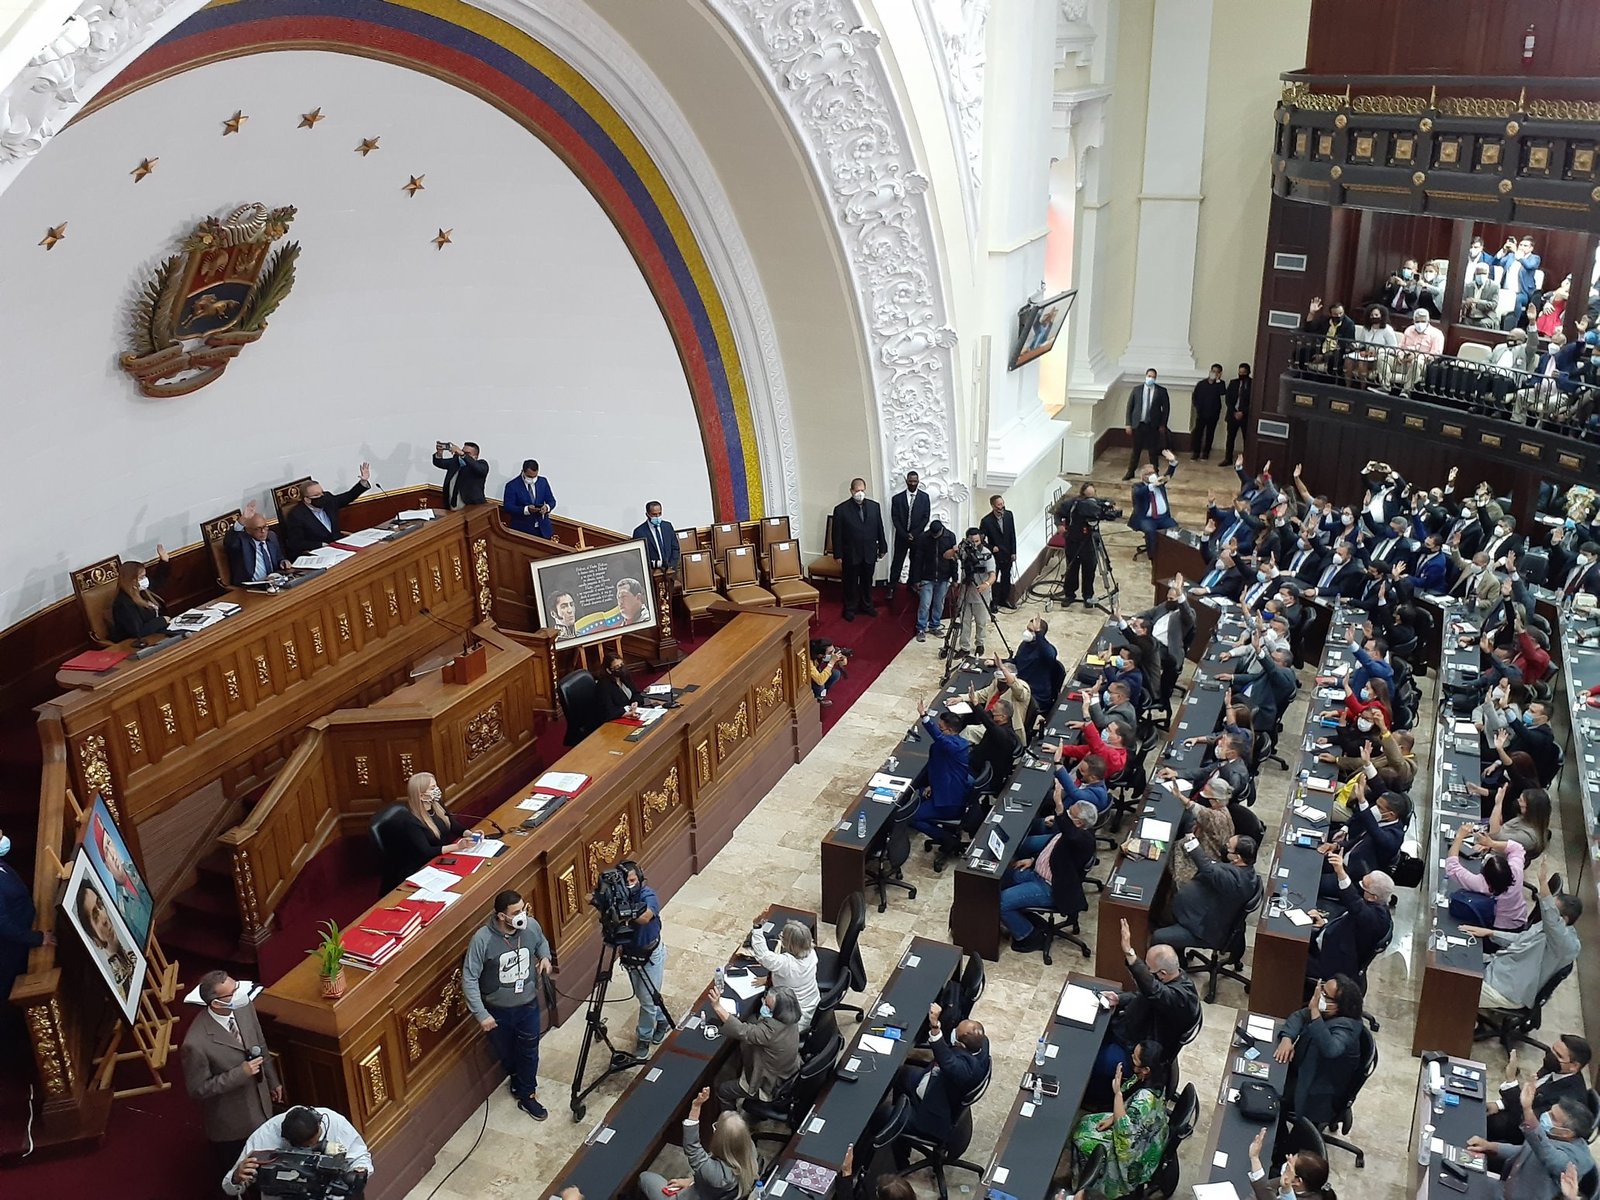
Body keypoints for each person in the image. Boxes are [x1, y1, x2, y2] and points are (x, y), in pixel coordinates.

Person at [182, 970, 284, 1181]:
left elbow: (260, 1044)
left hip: (261, 1106)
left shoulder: (243, 1006)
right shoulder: (195, 1043)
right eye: (233, 992)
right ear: (216, 1003)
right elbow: (198, 1089)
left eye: (237, 987)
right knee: (240, 1176)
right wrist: (241, 1073)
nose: (240, 993)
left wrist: (272, 1081)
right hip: (233, 1123)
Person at [462, 889, 552, 1120]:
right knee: (506, 1051)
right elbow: (469, 978)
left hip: (528, 1004)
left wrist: (545, 957)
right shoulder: (482, 939)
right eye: (516, 912)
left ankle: (528, 1094)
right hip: (497, 1010)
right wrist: (481, 1014)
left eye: (523, 909)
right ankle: (516, 1076)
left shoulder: (530, 926)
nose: (522, 915)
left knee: (530, 1050)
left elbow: (541, 942)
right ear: (501, 916)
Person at [1462, 859, 1581, 1013]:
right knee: (1459, 959)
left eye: (1552, 910)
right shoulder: (1548, 928)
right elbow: (1521, 939)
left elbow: (1551, 918)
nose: (1546, 913)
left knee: (1455, 989)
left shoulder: (1567, 945)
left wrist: (1543, 883)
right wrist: (1491, 933)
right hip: (1499, 966)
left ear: (1563, 919)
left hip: (1506, 989)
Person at [1094, 919, 1200, 1090]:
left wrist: (1130, 954)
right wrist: (1120, 999)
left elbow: (1154, 991)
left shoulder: (1179, 999)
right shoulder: (1173, 979)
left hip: (1136, 1052)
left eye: (1149, 971)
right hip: (1130, 1031)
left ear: (1163, 973)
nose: (1147, 974)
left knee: (1090, 1056)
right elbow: (1146, 995)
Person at [1070, 1042, 1172, 1200]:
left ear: (1146, 1069)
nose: (1131, 1057)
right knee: (1085, 1121)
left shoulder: (1144, 1100)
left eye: (1135, 1058)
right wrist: (1112, 1118)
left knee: (1080, 1136)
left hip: (1134, 1154)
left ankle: (1086, 1184)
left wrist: (1117, 1093)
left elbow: (1125, 1134)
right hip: (1146, 1134)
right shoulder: (1156, 1077)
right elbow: (1129, 1107)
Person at [1465, 1079, 1594, 1200]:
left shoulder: (1575, 1161)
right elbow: (1526, 1152)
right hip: (1503, 1188)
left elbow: (1545, 1152)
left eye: (1553, 1117)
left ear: (1566, 1133)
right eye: (1549, 1111)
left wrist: (1528, 1110)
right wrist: (1489, 1146)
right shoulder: (1556, 1134)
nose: (1545, 1115)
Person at [1000, 796, 1096, 950]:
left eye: (1069, 814)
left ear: (1079, 823)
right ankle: (1021, 916)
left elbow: (1071, 836)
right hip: (1036, 874)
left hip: (1050, 888)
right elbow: (1051, 850)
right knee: (1001, 877)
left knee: (1001, 902)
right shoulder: (1070, 832)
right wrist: (1033, 860)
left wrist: (1059, 804)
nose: (1065, 815)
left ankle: (1029, 936)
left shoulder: (1083, 840)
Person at [1272, 976, 1366, 1128]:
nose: (1319, 996)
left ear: (1339, 1005)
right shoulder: (1328, 1012)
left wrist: (1315, 1012)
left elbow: (1331, 1049)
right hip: (1303, 1068)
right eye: (1321, 989)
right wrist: (1287, 1038)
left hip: (1316, 1092)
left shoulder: (1347, 1028)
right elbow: (1300, 1016)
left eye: (1325, 995)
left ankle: (1280, 1138)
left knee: (1271, 1092)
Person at [894, 1002, 990, 1146]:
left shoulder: (964, 1070)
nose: (953, 1031)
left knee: (882, 1115)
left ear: (961, 1045)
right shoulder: (981, 1043)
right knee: (902, 1074)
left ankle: (899, 1154)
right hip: (935, 1083)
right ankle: (900, 1107)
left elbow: (947, 1061)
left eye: (956, 1031)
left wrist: (935, 1026)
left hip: (931, 1116)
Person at [223, 1105, 372, 1197]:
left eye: (317, 1143)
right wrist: (236, 1178)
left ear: (319, 1122)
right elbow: (229, 1187)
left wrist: (360, 1171)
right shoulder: (264, 1138)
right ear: (287, 1141)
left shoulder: (334, 1121)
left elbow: (360, 1156)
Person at [640, 1086, 760, 1200]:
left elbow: (693, 1148)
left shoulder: (717, 1175)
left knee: (645, 1178)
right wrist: (691, 1182)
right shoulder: (750, 1151)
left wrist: (695, 1107)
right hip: (707, 1191)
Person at [1151, 834, 1259, 955]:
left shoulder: (1234, 882)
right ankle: (1179, 954)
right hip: (1203, 913)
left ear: (1237, 857)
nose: (1226, 846)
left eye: (1229, 847)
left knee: (1158, 936)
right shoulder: (1246, 871)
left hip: (1204, 930)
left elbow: (1208, 868)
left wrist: (1191, 842)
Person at [706, 984, 801, 1107]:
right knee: (751, 1019)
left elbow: (742, 1030)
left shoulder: (769, 1032)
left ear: (778, 1011)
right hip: (788, 1070)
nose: (763, 1004)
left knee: (723, 1090)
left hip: (768, 1083)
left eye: (768, 1006)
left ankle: (730, 1116)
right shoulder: (791, 1017)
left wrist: (717, 1007)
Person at [1487, 1038, 1593, 1145]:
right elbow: (1530, 1094)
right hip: (1520, 1113)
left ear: (1574, 1066)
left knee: (1491, 1123)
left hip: (1529, 1136)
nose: (1551, 1056)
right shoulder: (1556, 1068)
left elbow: (1529, 1122)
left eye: (1559, 1055)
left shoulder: (1568, 1099)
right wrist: (1500, 1104)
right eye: (1552, 1049)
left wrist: (1511, 1081)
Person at [380, 772, 473, 890]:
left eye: (436, 786)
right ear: (421, 795)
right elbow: (427, 852)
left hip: (441, 858)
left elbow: (452, 825)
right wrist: (458, 846)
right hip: (421, 867)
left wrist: (470, 833)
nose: (437, 790)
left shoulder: (437, 804)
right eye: (432, 788)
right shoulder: (411, 820)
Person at [1307, 866, 1393, 982]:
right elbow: (1347, 922)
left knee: (1288, 951)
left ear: (1373, 897)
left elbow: (1355, 904)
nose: (1360, 887)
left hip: (1331, 962)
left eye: (1364, 886)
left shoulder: (1376, 919)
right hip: (1327, 941)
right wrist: (1324, 924)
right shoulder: (1372, 907)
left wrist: (1341, 873)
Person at [618, 861, 669, 1051]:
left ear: (639, 878)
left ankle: (644, 1037)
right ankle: (662, 1020)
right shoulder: (618, 896)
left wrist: (624, 913)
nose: (630, 885)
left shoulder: (648, 895)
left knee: (647, 1002)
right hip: (630, 955)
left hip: (651, 955)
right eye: (626, 882)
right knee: (643, 996)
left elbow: (646, 917)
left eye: (632, 880)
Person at [1446, 821, 1527, 930]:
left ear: (1485, 876)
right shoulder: (1516, 870)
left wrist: (1459, 837)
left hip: (1497, 927)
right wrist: (1491, 843)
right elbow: (1518, 848)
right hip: (1519, 919)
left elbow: (1452, 867)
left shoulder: (1481, 884)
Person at [281, 466, 372, 558]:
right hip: (320, 553)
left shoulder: (328, 499)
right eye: (317, 495)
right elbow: (296, 543)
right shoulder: (297, 515)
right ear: (307, 500)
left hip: (341, 546)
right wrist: (321, 545)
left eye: (322, 492)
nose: (322, 496)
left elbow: (347, 497)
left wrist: (363, 481)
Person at [911, 701, 971, 839]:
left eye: (941, 728)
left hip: (949, 802)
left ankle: (948, 840)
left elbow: (937, 736)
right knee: (916, 794)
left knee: (912, 817)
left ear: (950, 730)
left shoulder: (955, 746)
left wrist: (924, 716)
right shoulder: (955, 743)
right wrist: (932, 785)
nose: (939, 731)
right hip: (943, 789)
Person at [748, 918, 820, 1031]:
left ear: (790, 944)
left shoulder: (786, 964)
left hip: (793, 1021)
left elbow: (763, 955)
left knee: (751, 1020)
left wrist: (757, 929)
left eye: (782, 937)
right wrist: (769, 979)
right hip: (813, 1008)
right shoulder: (812, 953)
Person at [832, 477, 887, 620]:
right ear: (851, 491)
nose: (860, 493)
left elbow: (879, 528)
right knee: (850, 582)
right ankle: (850, 608)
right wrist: (838, 554)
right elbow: (836, 534)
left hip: (869, 551)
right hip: (851, 553)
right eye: (857, 491)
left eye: (862, 490)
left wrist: (883, 546)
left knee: (867, 581)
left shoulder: (874, 507)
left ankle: (867, 605)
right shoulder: (841, 510)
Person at [1247, 1126, 1337, 1200]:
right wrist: (1254, 1158)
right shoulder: (1290, 1179)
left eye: (1289, 1165)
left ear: (1298, 1181)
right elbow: (1264, 1190)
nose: (1286, 1164)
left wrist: (1255, 1158)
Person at [911, 517, 957, 643]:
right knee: (925, 604)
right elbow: (918, 560)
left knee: (939, 603)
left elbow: (953, 559)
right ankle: (921, 628)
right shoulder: (923, 538)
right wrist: (916, 579)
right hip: (927, 576)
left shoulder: (950, 537)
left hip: (944, 576)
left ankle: (934, 625)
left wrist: (955, 577)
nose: (934, 536)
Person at [224, 501, 290, 585]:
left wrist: (283, 561)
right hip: (253, 586)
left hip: (274, 582)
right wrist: (243, 519)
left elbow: (279, 557)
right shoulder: (242, 542)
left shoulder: (271, 536)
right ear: (248, 530)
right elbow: (229, 541)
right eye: (258, 529)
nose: (263, 531)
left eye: (265, 527)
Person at [888, 470, 929, 602]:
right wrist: (904, 534)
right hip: (902, 536)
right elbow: (895, 518)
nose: (912, 484)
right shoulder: (897, 498)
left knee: (916, 561)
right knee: (897, 562)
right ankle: (892, 586)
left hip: (917, 536)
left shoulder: (924, 497)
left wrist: (914, 533)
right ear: (906, 481)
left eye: (915, 481)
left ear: (918, 482)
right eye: (910, 481)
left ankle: (912, 584)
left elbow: (925, 517)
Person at [1057, 483, 1102, 604]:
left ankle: (1088, 595)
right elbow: (1057, 513)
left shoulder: (1097, 504)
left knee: (1089, 570)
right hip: (1073, 541)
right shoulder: (1071, 503)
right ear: (1082, 495)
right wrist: (1060, 525)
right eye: (1087, 497)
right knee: (1072, 569)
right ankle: (1069, 594)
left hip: (1090, 542)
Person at [110, 553, 171, 642]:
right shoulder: (123, 604)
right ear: (131, 580)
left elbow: (157, 580)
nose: (145, 580)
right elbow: (138, 631)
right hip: (137, 642)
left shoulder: (141, 591)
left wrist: (164, 561)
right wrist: (162, 620)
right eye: (142, 577)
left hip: (157, 634)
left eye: (145, 576)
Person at [1129, 450, 1180, 556]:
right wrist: (1152, 485)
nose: (1151, 475)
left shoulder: (1160, 483)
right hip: (1146, 518)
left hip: (1163, 518)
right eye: (1148, 474)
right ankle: (1153, 556)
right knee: (1150, 531)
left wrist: (1172, 462)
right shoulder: (1137, 486)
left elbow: (1168, 474)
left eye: (1153, 473)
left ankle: (1172, 553)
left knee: (1174, 528)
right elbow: (1138, 493)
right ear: (1143, 476)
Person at [1123, 368, 1171, 480]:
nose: (1151, 378)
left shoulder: (1161, 391)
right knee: (1136, 450)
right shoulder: (1137, 390)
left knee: (1153, 451)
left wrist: (1163, 424)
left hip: (1152, 425)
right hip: (1139, 424)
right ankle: (1130, 471)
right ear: (1145, 376)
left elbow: (1166, 409)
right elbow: (1130, 407)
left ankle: (1155, 472)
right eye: (1149, 376)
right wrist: (1128, 423)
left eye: (1153, 377)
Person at [953, 527, 995, 656]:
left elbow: (993, 575)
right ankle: (964, 647)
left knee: (980, 622)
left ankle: (980, 643)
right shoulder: (964, 552)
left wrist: (986, 584)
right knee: (964, 621)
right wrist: (955, 549)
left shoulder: (986, 554)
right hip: (966, 592)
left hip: (980, 594)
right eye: (972, 541)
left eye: (977, 541)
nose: (975, 544)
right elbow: (948, 556)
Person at [596, 650, 661, 722]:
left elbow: (636, 693)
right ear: (609, 670)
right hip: (615, 720)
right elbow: (609, 711)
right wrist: (628, 714)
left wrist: (635, 702)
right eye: (617, 667)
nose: (621, 668)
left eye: (621, 665)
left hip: (632, 713)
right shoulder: (604, 685)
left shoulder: (624, 676)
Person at [980, 494, 1018, 611]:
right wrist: (991, 548)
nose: (1001, 507)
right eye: (999, 505)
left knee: (1006, 577)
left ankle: (1004, 599)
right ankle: (994, 602)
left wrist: (1013, 552)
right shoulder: (986, 521)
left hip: (1007, 553)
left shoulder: (1009, 515)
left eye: (1002, 504)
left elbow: (1012, 534)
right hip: (995, 555)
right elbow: (981, 540)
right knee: (994, 578)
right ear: (993, 506)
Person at [503, 459, 557, 538]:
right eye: (529, 477)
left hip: (543, 529)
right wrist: (526, 510)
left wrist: (547, 507)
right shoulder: (512, 485)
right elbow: (508, 507)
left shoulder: (543, 482)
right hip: (522, 530)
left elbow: (552, 501)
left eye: (535, 476)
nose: (532, 479)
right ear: (523, 471)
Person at [1014, 616, 1059, 707]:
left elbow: (1050, 655)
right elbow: (1016, 661)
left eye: (1031, 630)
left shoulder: (1046, 650)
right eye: (1027, 629)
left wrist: (1038, 634)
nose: (1027, 632)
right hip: (1021, 687)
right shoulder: (1024, 644)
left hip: (1036, 695)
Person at [433, 441, 488, 508]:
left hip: (471, 507)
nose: (462, 455)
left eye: (467, 453)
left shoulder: (481, 464)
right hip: (451, 506)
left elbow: (480, 469)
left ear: (475, 457)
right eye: (462, 451)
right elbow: (439, 462)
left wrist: (463, 455)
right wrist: (439, 452)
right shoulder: (455, 462)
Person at [1191, 363, 1226, 460]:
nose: (1214, 373)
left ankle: (1206, 452)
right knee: (1198, 433)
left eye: (1217, 372)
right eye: (1213, 371)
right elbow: (1195, 396)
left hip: (1213, 414)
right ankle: (1196, 453)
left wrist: (1218, 380)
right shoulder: (1201, 384)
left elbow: (1222, 392)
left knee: (1210, 434)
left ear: (1220, 374)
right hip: (1201, 413)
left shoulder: (1220, 384)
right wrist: (1198, 407)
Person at [633, 501, 681, 572]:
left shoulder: (667, 526)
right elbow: (639, 556)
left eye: (659, 513)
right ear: (647, 514)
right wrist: (654, 565)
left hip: (671, 569)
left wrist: (672, 566)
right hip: (652, 571)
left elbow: (675, 548)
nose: (657, 517)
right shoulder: (639, 532)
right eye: (654, 514)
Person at [1224, 363, 1252, 462]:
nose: (1241, 374)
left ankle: (1247, 460)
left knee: (1247, 439)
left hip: (1246, 416)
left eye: (1244, 373)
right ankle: (1228, 459)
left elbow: (1253, 401)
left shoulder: (1253, 384)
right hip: (1233, 415)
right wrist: (1234, 412)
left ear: (1248, 372)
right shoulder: (1233, 383)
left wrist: (1243, 412)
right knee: (1230, 438)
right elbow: (1228, 399)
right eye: (1240, 372)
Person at [809, 638, 847, 706]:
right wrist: (832, 661)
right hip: (809, 681)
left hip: (817, 675)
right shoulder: (809, 662)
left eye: (833, 651)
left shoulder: (820, 656)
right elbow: (820, 680)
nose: (832, 654)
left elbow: (843, 663)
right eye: (830, 653)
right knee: (820, 684)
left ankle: (822, 694)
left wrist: (842, 658)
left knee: (835, 674)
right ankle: (818, 698)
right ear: (820, 655)